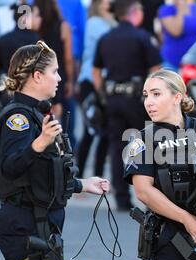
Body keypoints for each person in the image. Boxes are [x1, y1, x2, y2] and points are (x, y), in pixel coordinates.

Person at [0, 40, 110, 260]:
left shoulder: (37, 113)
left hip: (42, 223)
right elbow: (9, 168)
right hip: (23, 223)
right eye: (54, 71)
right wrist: (40, 143)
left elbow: (44, 175)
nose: (60, 78)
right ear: (37, 76)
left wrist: (83, 184)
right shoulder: (19, 118)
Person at [124, 69, 196, 260]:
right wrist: (186, 219)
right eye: (146, 95)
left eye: (156, 94)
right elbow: (143, 191)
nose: (149, 102)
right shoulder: (142, 139)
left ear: (177, 97)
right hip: (171, 236)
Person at [92, 0, 161, 210]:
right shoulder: (142, 37)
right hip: (137, 101)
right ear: (135, 13)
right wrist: (153, 97)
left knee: (117, 148)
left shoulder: (106, 38)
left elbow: (96, 71)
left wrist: (103, 94)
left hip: (113, 99)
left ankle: (122, 199)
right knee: (147, 146)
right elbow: (156, 69)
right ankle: (153, 198)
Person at [76, 0, 117, 178]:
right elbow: (111, 41)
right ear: (100, 4)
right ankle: (77, 178)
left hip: (105, 83)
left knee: (105, 134)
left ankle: (99, 179)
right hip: (90, 82)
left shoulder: (112, 22)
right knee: (89, 133)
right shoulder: (94, 23)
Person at [0, 1, 41, 106]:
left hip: (7, 94)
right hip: (31, 96)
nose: (40, 20)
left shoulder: (2, 40)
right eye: (37, 16)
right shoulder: (37, 42)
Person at [158, 0, 196, 71]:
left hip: (194, 63)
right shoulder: (166, 9)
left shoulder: (195, 7)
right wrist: (180, 8)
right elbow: (176, 31)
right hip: (173, 64)